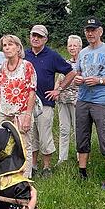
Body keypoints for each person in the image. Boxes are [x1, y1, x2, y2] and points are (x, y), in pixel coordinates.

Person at [73, 17, 105, 190]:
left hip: (101, 101)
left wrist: (99, 81)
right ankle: (82, 172)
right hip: (83, 99)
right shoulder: (82, 53)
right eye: (87, 30)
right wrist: (78, 80)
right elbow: (77, 74)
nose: (90, 33)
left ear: (100, 31)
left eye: (93, 30)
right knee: (82, 135)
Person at [24, 24, 76, 177]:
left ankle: (46, 167)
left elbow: (71, 72)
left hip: (45, 102)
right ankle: (32, 165)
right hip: (27, 104)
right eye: (33, 35)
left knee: (45, 135)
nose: (35, 38)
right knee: (30, 135)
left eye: (39, 36)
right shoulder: (24, 55)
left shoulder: (52, 56)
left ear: (45, 39)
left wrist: (58, 90)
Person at [0, 35, 37, 179]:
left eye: (10, 45)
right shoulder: (2, 66)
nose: (7, 48)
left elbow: (32, 91)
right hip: (4, 112)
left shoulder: (27, 66)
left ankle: (25, 178)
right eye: (4, 45)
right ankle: (11, 176)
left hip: (21, 112)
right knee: (7, 145)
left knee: (24, 145)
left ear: (18, 47)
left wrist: (27, 115)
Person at [55, 35, 82, 164]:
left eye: (74, 45)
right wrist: (55, 92)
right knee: (64, 129)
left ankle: (80, 157)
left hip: (77, 101)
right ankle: (62, 158)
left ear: (80, 47)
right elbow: (59, 80)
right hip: (63, 100)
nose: (72, 48)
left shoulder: (83, 62)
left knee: (78, 130)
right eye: (70, 45)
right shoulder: (65, 63)